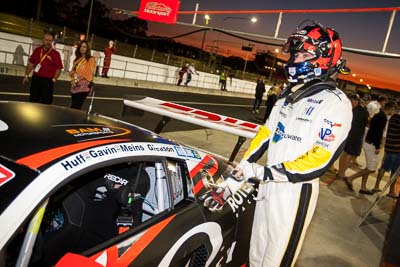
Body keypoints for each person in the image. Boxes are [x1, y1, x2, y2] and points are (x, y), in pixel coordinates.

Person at [233, 21, 352, 266]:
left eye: (304, 53)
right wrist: (243, 166)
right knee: (256, 255)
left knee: (276, 260)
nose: (296, 58)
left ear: (326, 59)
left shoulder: (336, 102)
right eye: (296, 53)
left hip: (295, 190)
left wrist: (267, 171)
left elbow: (321, 157)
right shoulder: (288, 94)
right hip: (268, 183)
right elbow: (266, 133)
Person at [345, 101, 398, 194]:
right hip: (372, 144)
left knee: (368, 166)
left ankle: (363, 187)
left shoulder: (379, 115)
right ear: (391, 108)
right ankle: (350, 178)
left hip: (369, 142)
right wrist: (378, 146)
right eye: (394, 109)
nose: (394, 112)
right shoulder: (382, 117)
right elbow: (378, 133)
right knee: (371, 169)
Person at [22, 30, 63, 104]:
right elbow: (31, 63)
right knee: (33, 100)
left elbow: (59, 68)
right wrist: (26, 75)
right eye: (46, 40)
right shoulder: (37, 50)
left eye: (50, 40)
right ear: (42, 40)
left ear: (52, 41)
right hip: (36, 79)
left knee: (46, 102)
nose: (48, 42)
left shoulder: (56, 54)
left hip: (48, 81)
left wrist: (54, 79)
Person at [336, 94, 369, 182]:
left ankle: (340, 172)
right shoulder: (361, 110)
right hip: (355, 135)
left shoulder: (355, 109)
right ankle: (341, 173)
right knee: (349, 154)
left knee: (346, 153)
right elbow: (366, 121)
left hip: (351, 133)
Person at [372, 106, 400, 198]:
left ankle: (376, 186)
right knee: (395, 172)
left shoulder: (393, 117)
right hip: (396, 150)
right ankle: (391, 191)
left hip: (389, 148)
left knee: (383, 168)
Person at [69, 41, 96, 110]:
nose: (82, 48)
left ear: (87, 49)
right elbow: (73, 71)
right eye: (81, 46)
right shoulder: (77, 59)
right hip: (75, 85)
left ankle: (76, 120)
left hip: (84, 86)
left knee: (76, 107)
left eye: (84, 47)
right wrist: (74, 79)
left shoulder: (90, 59)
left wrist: (76, 80)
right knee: (74, 106)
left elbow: (88, 73)